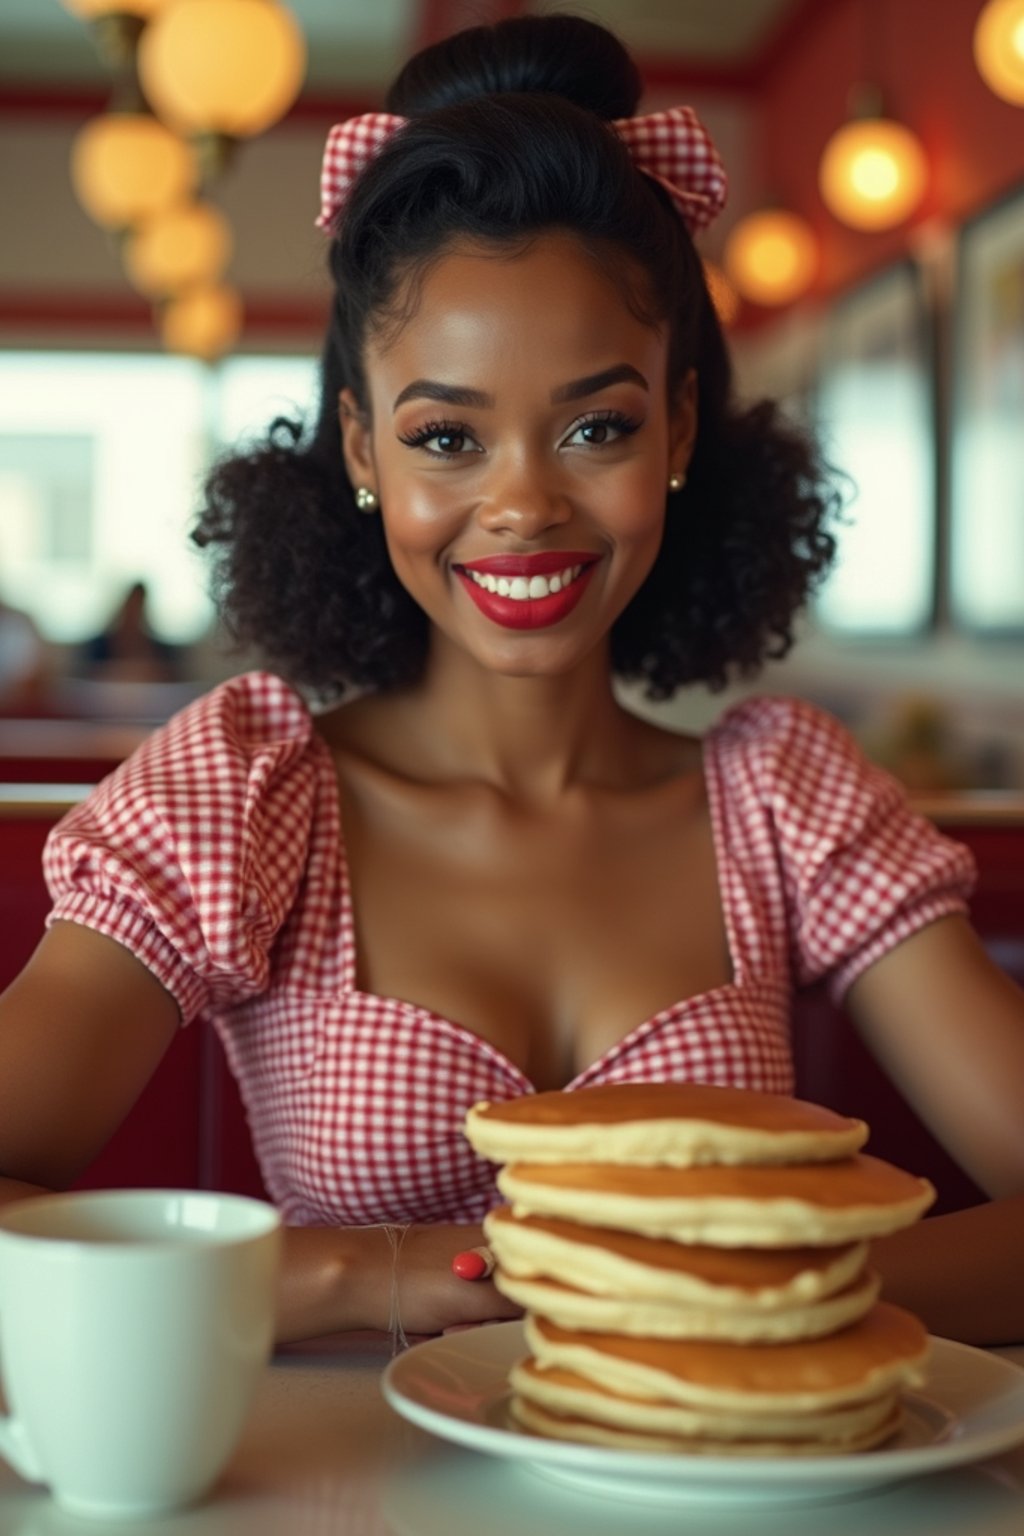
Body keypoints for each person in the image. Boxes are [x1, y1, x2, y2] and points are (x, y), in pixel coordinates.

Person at [1, 15, 1023, 1347]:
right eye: (447, 436)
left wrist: (750, 1296)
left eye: (597, 424)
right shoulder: (247, 795)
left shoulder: (785, 796)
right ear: (362, 448)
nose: (525, 504)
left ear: (680, 430)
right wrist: (356, 1276)